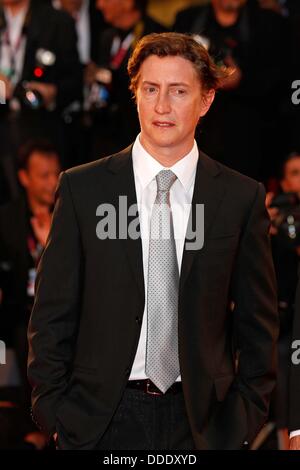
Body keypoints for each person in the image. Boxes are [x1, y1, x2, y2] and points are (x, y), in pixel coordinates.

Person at [27, 32, 278, 450]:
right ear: (135, 94)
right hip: (98, 420)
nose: (162, 106)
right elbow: (51, 314)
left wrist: (242, 419)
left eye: (178, 91)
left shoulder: (240, 198)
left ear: (206, 100)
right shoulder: (82, 189)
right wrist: (55, 413)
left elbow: (258, 324)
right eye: (151, 89)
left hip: (203, 424)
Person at [0, 139, 60, 408]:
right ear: (24, 178)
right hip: (20, 317)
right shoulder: (7, 220)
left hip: (62, 313)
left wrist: (50, 244)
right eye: (43, 176)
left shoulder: (69, 212)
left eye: (56, 174)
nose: (52, 183)